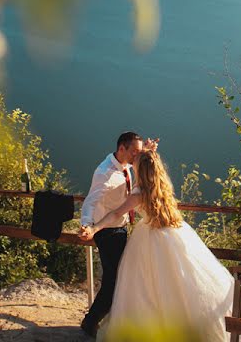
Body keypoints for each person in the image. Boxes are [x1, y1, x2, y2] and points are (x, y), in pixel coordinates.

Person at [80, 148, 241, 341]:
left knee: (147, 286)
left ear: (140, 170)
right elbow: (150, 163)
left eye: (135, 162)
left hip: (149, 238)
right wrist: (150, 151)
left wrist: (94, 228)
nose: (132, 162)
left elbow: (116, 214)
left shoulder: (139, 193)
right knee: (183, 281)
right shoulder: (162, 186)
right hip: (174, 232)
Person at [78, 132, 156, 337]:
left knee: (122, 276)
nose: (137, 156)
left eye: (139, 152)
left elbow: (142, 167)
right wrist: (87, 225)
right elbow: (91, 201)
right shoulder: (104, 173)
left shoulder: (127, 164)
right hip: (106, 231)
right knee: (114, 280)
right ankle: (91, 322)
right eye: (134, 152)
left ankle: (105, 319)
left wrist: (147, 151)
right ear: (122, 149)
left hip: (120, 228)